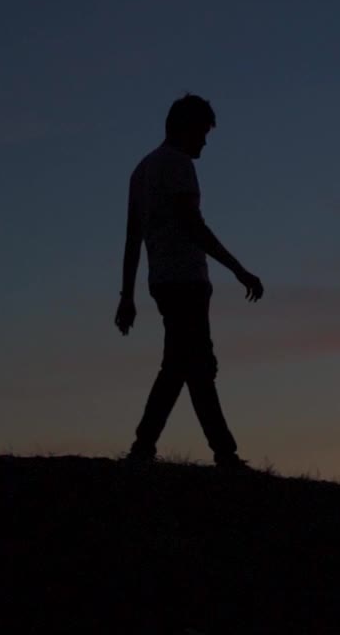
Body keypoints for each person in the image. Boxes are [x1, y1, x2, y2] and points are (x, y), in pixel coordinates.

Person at [114, 94, 264, 468]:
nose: (205, 142)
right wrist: (237, 268)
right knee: (191, 366)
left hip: (161, 281)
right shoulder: (177, 164)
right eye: (202, 132)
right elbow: (192, 225)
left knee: (187, 365)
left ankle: (154, 447)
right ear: (186, 128)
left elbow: (133, 237)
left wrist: (128, 295)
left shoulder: (142, 170)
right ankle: (215, 453)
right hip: (186, 281)